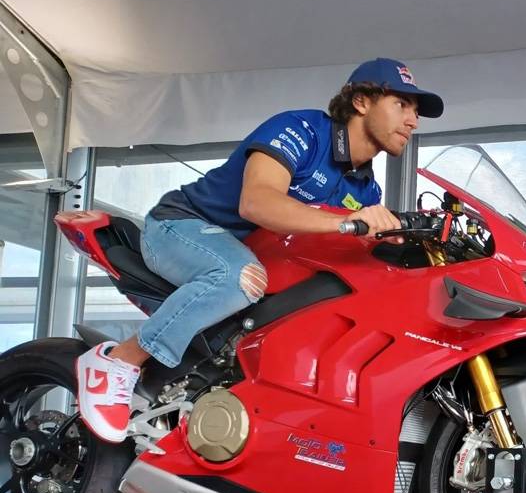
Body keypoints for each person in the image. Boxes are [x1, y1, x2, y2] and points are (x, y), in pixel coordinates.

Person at [76, 58, 444, 443]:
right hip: (181, 226)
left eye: (416, 112)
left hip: (249, 252)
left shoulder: (365, 189)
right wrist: (346, 223)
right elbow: (256, 202)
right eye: (402, 105)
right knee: (240, 278)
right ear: (362, 102)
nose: (413, 121)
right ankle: (118, 361)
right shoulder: (302, 131)